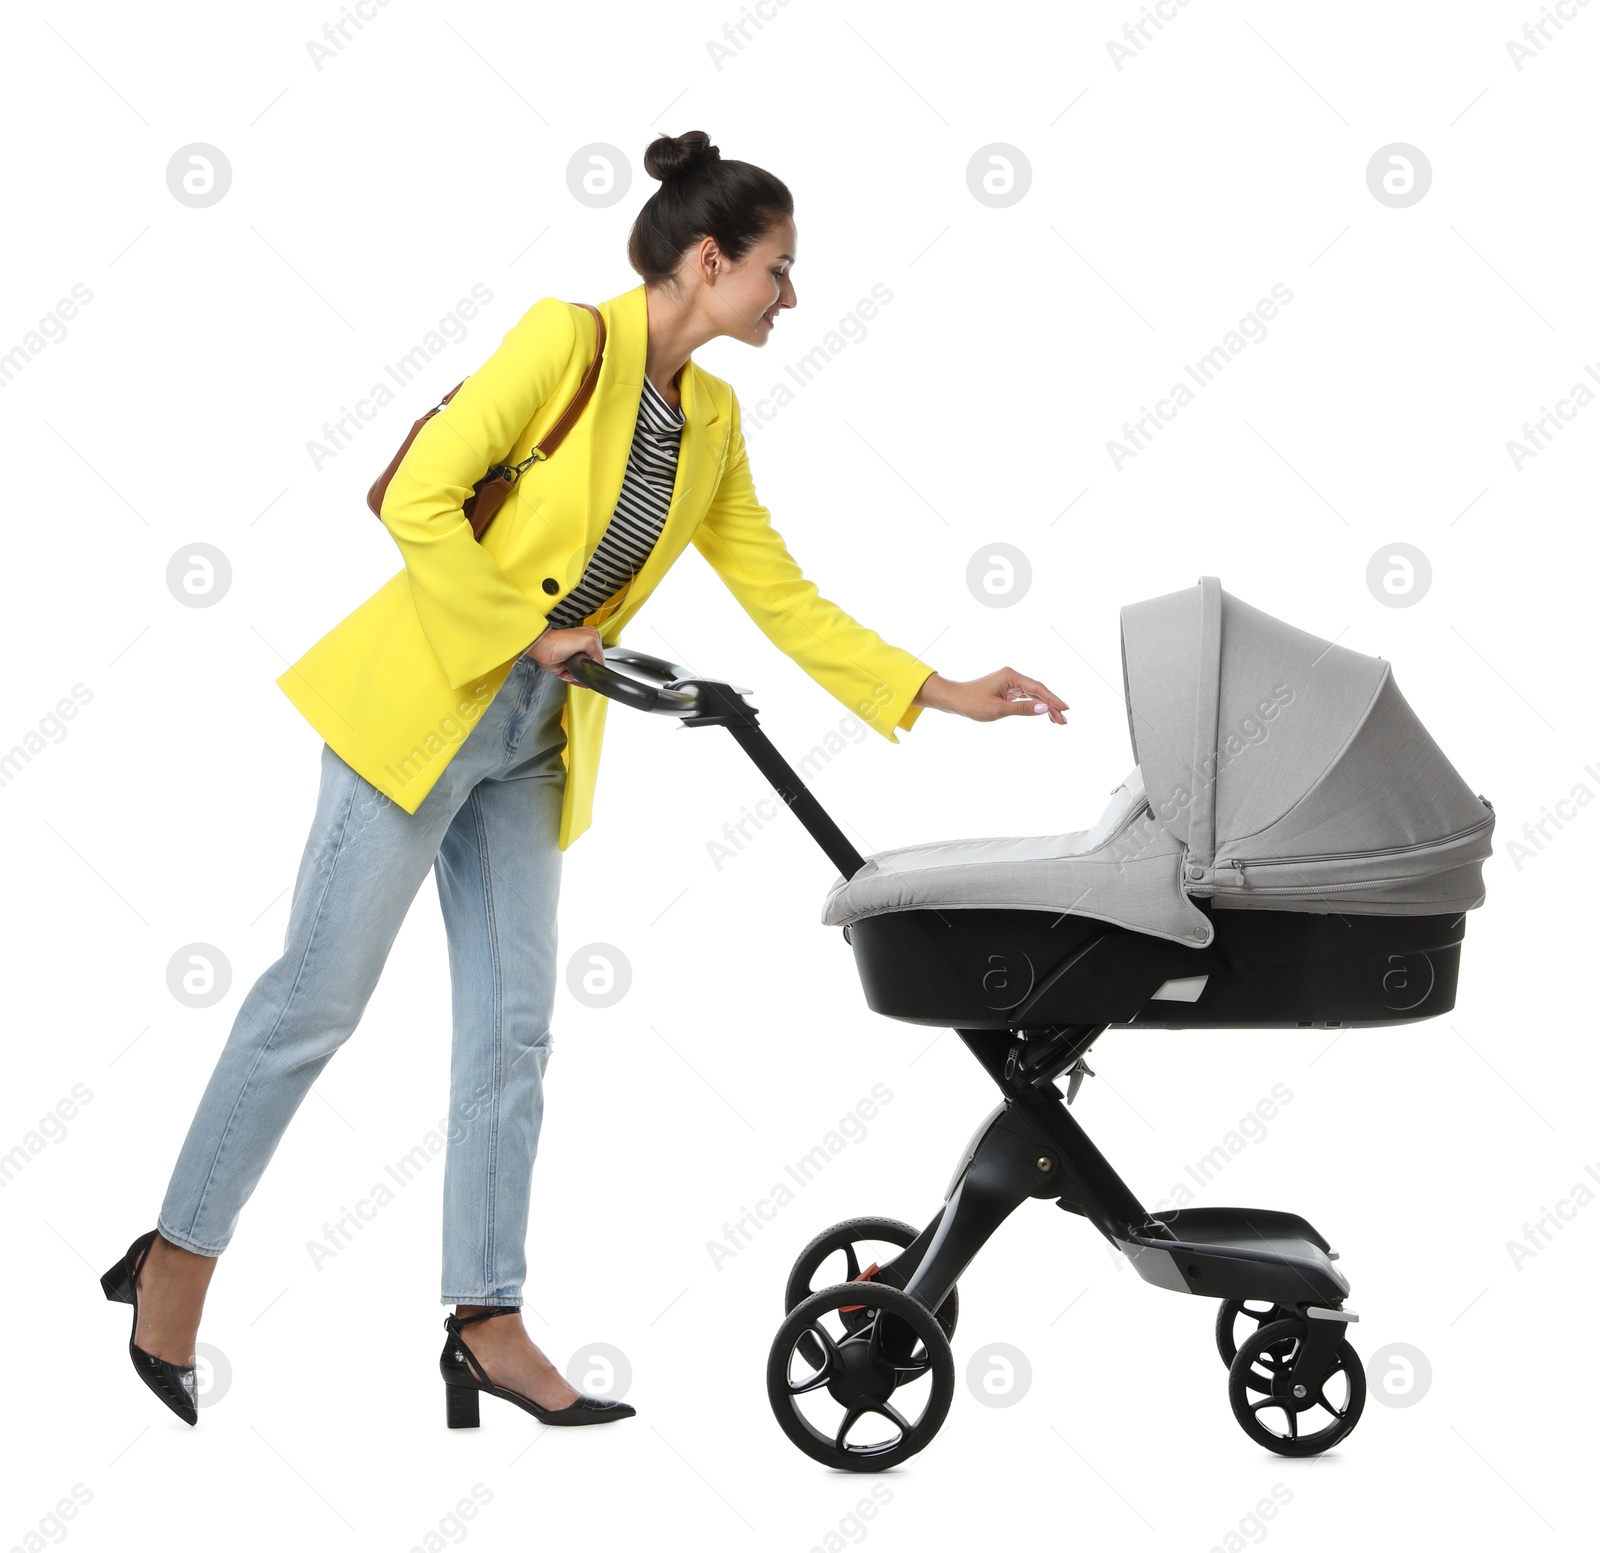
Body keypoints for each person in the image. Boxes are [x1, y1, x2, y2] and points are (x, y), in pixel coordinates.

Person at [100, 128, 1069, 1432]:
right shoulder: (567, 343)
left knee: (512, 1033)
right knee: (312, 1003)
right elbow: (418, 501)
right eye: (778, 269)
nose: (792, 296)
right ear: (708, 261)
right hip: (424, 705)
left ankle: (485, 1319)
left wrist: (937, 688)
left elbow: (782, 595)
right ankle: (175, 1260)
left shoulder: (713, 420)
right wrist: (533, 630)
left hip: (535, 743)